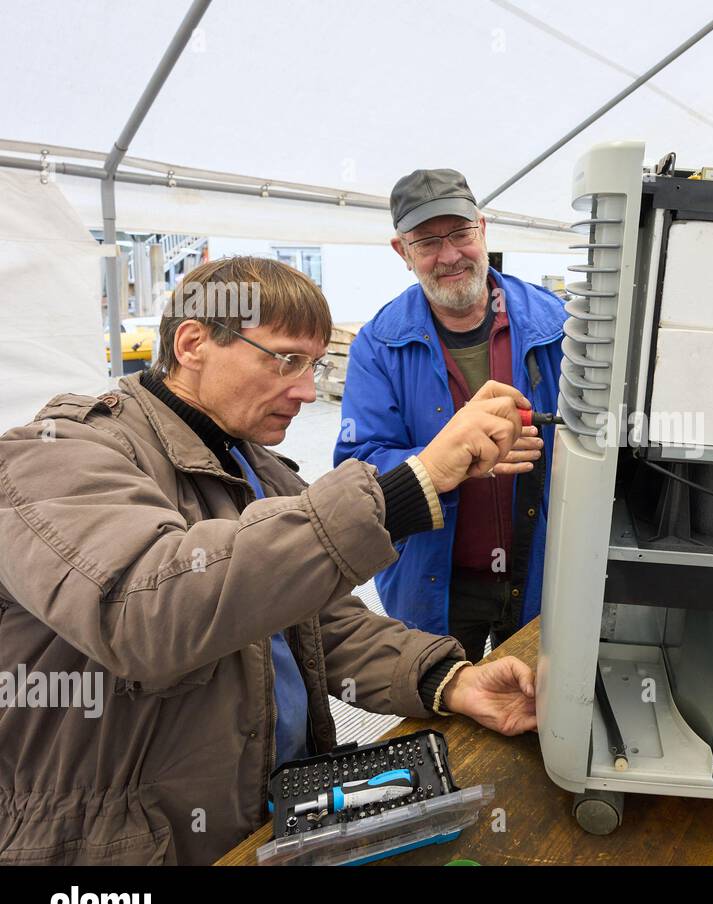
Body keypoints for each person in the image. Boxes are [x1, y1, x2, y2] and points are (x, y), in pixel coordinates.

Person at [0, 256, 538, 865]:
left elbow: (315, 623)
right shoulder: (56, 456)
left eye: (314, 365)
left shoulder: (257, 468)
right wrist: (406, 490)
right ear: (193, 342)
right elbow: (144, 613)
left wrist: (446, 679)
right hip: (121, 847)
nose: (308, 390)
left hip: (264, 821)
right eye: (285, 360)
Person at [335, 169, 564, 662]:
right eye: (427, 242)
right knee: (438, 706)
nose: (449, 255)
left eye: (460, 234)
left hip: (545, 571)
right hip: (434, 579)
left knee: (539, 710)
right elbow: (359, 469)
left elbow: (601, 437)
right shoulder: (378, 345)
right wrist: (448, 458)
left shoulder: (557, 325)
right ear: (402, 252)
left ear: (482, 230)